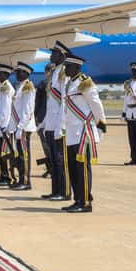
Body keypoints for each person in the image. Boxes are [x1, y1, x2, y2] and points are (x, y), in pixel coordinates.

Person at [62, 53, 106, 213]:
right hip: (72, 132)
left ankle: (86, 202)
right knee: (73, 169)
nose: (65, 68)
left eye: (68, 66)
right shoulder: (69, 83)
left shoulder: (85, 83)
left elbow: (96, 106)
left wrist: (101, 127)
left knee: (82, 169)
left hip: (83, 133)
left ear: (77, 67)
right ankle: (78, 199)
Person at [42, 40, 71, 200]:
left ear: (62, 55)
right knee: (53, 159)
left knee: (61, 159)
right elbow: (51, 102)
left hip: (59, 123)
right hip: (51, 123)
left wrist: (61, 125)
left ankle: (65, 192)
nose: (51, 56)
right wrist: (47, 124)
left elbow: (64, 101)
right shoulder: (54, 72)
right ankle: (55, 190)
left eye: (54, 53)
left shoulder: (64, 73)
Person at [10, 62, 36, 190]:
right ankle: (21, 179)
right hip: (19, 126)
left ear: (26, 73)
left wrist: (21, 127)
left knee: (24, 155)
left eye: (19, 72)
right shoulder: (20, 87)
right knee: (20, 155)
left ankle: (25, 181)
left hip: (24, 127)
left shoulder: (28, 87)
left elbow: (28, 110)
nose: (16, 74)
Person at [0, 64, 15, 186]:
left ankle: (8, 177)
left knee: (6, 153)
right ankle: (3, 175)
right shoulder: (2, 87)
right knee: (1, 152)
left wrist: (4, 126)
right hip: (0, 125)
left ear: (5, 74)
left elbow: (6, 109)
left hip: (4, 126)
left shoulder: (6, 88)